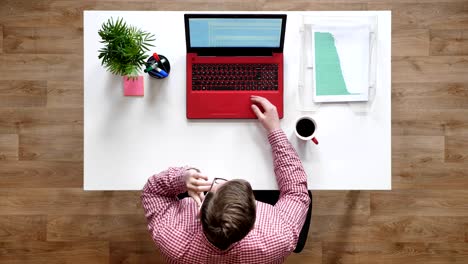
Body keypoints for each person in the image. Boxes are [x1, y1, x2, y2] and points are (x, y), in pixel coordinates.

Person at [142, 95, 311, 264]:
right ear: (253, 223)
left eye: (216, 185)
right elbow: (296, 191)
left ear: (200, 211)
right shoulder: (280, 237)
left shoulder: (171, 240)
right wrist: (275, 130)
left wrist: (182, 178)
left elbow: (152, 193)